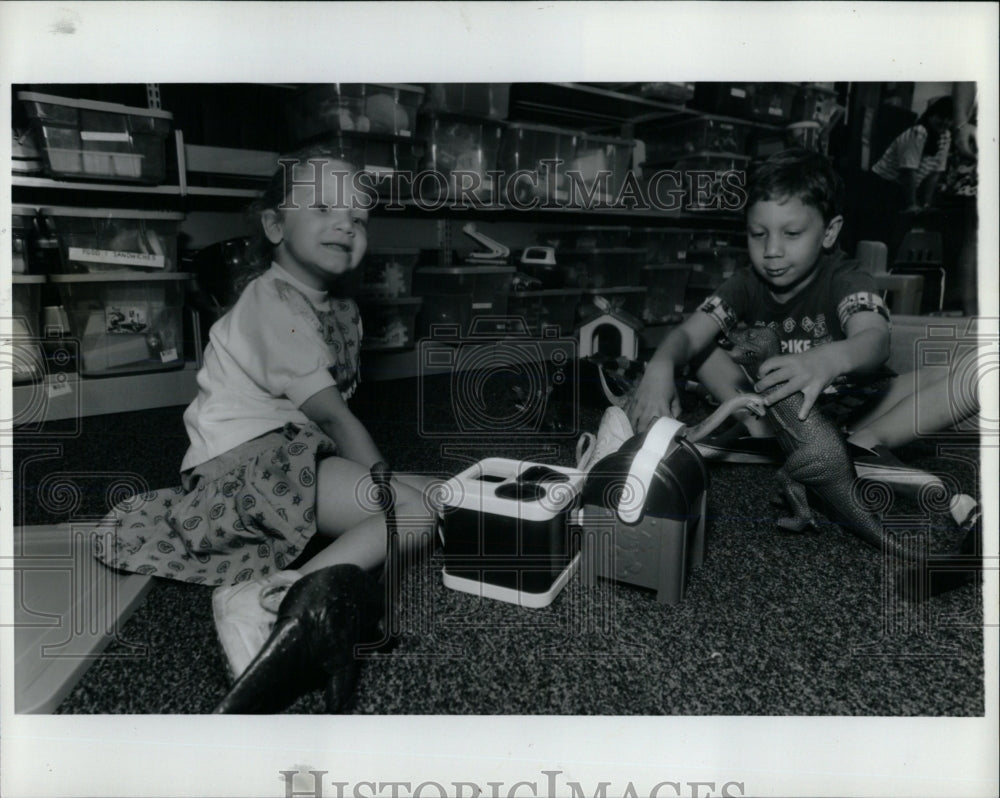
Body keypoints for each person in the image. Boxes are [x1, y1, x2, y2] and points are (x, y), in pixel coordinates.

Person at [93, 145, 437, 677]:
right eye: (323, 209)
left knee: (433, 491)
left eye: (358, 219)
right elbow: (334, 419)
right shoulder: (270, 303)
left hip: (286, 460)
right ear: (276, 225)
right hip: (248, 471)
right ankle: (273, 598)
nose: (345, 226)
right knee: (410, 513)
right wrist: (385, 491)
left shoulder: (334, 306)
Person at [628, 148, 979, 490]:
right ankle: (759, 432)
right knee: (701, 348)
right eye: (758, 234)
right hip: (778, 414)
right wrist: (660, 367)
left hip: (859, 408)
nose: (772, 251)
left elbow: (876, 340)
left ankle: (866, 445)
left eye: (791, 234)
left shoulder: (846, 277)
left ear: (829, 232)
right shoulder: (746, 283)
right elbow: (689, 335)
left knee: (979, 373)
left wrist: (826, 359)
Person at [860, 95, 953, 261]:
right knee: (878, 236)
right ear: (931, 114)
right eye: (941, 116)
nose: (945, 122)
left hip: (903, 187)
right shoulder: (918, 132)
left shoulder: (945, 137)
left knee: (896, 236)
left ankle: (890, 272)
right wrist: (912, 204)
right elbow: (907, 172)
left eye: (949, 119)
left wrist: (925, 204)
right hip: (882, 185)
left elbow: (935, 173)